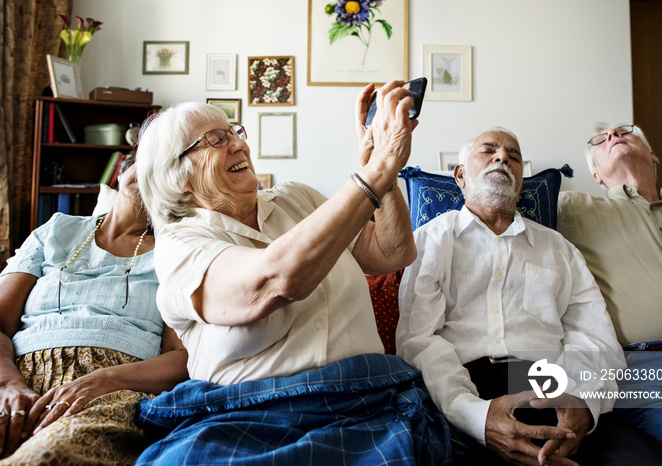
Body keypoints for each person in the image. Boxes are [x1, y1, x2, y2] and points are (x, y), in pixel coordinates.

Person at [131, 81, 453, 464]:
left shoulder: (297, 198)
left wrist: (375, 167)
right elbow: (275, 281)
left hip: (365, 401)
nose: (238, 144)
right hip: (249, 419)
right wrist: (380, 167)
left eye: (235, 132)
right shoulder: (180, 244)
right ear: (179, 177)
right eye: (216, 140)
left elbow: (392, 252)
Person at [396, 128, 662, 466]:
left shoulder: (560, 249)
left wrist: (582, 403)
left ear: (520, 183)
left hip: (554, 385)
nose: (502, 157)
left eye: (514, 156)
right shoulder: (431, 239)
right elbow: (419, 339)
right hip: (462, 385)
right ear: (460, 175)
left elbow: (594, 339)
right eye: (488, 150)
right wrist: (475, 416)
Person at [0, 156, 189, 464]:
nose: (155, 172)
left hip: (112, 388)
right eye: (150, 158)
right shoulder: (54, 230)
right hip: (16, 377)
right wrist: (8, 384)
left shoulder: (177, 252)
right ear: (123, 170)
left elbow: (181, 357)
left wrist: (105, 379)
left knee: (46, 456)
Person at [557, 123, 662, 465]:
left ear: (653, 155)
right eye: (600, 139)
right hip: (651, 371)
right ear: (596, 175)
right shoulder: (571, 209)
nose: (613, 136)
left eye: (625, 131)